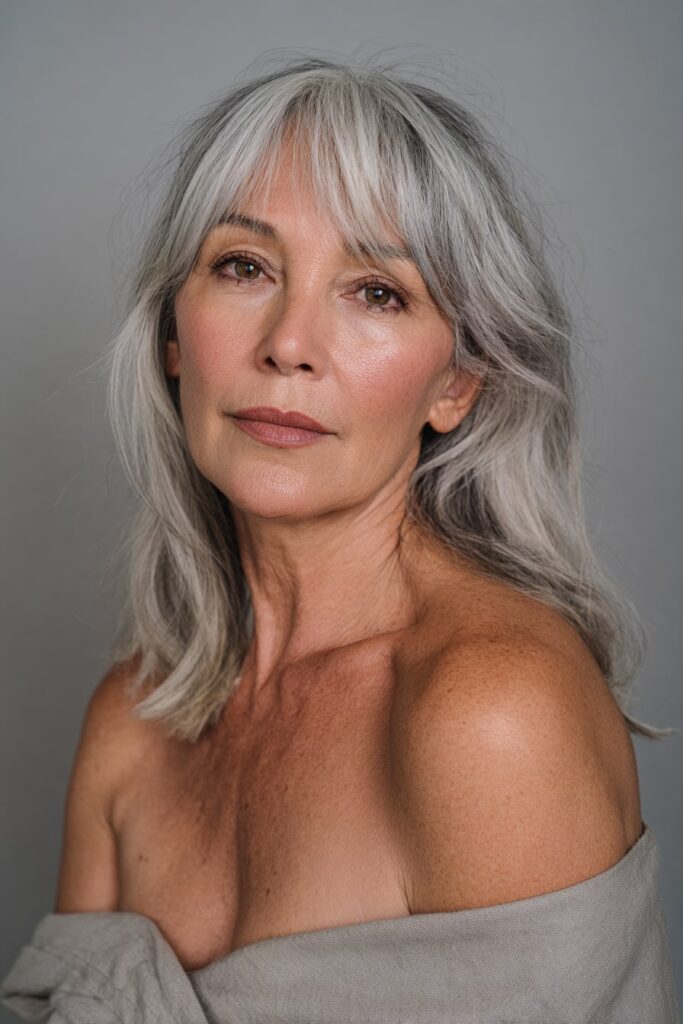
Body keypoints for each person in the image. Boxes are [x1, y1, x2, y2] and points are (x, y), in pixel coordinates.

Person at [2, 54, 679, 1023]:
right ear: (171, 337)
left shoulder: (489, 711)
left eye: (375, 292)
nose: (288, 342)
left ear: (456, 384)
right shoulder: (130, 722)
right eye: (244, 267)